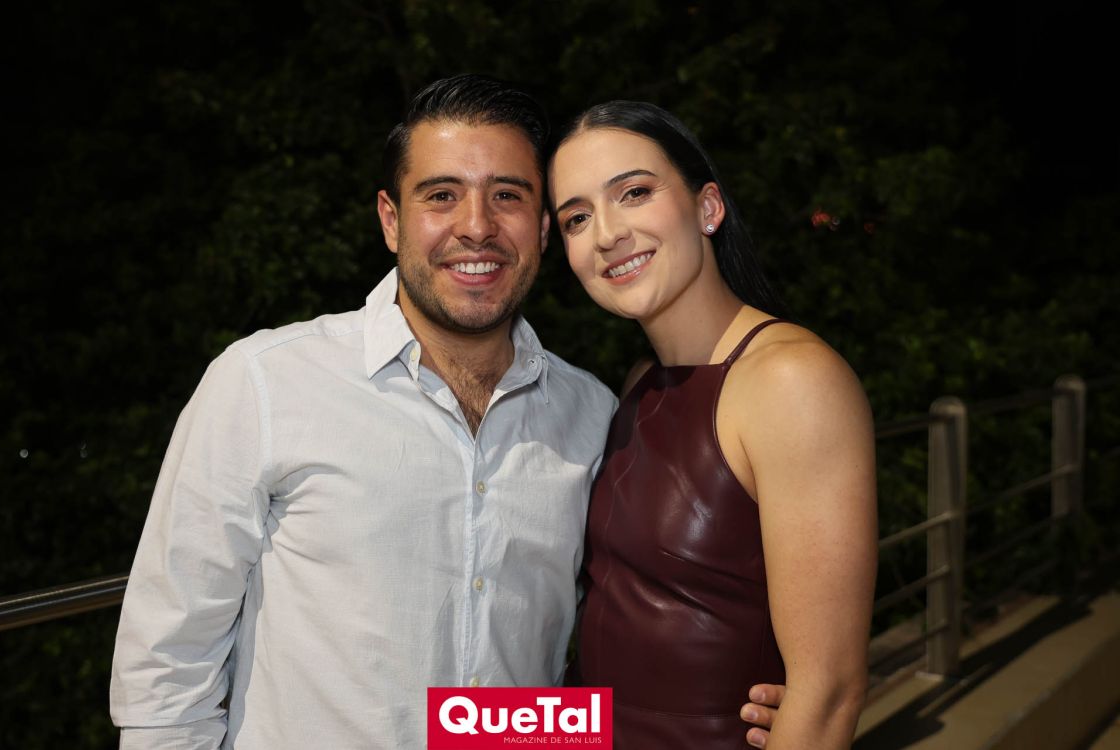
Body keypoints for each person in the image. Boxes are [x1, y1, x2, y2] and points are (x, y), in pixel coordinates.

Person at [110, 76, 783, 749]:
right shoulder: (265, 384)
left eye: (507, 196)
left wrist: (717, 703)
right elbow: (167, 665)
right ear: (391, 220)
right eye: (441, 196)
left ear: (542, 229)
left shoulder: (591, 415)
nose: (477, 226)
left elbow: (559, 673)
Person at [548, 101, 878, 750]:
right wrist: (441, 723)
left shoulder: (791, 381)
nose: (606, 233)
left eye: (634, 193)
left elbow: (828, 694)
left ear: (708, 208)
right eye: (576, 218)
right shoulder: (641, 381)